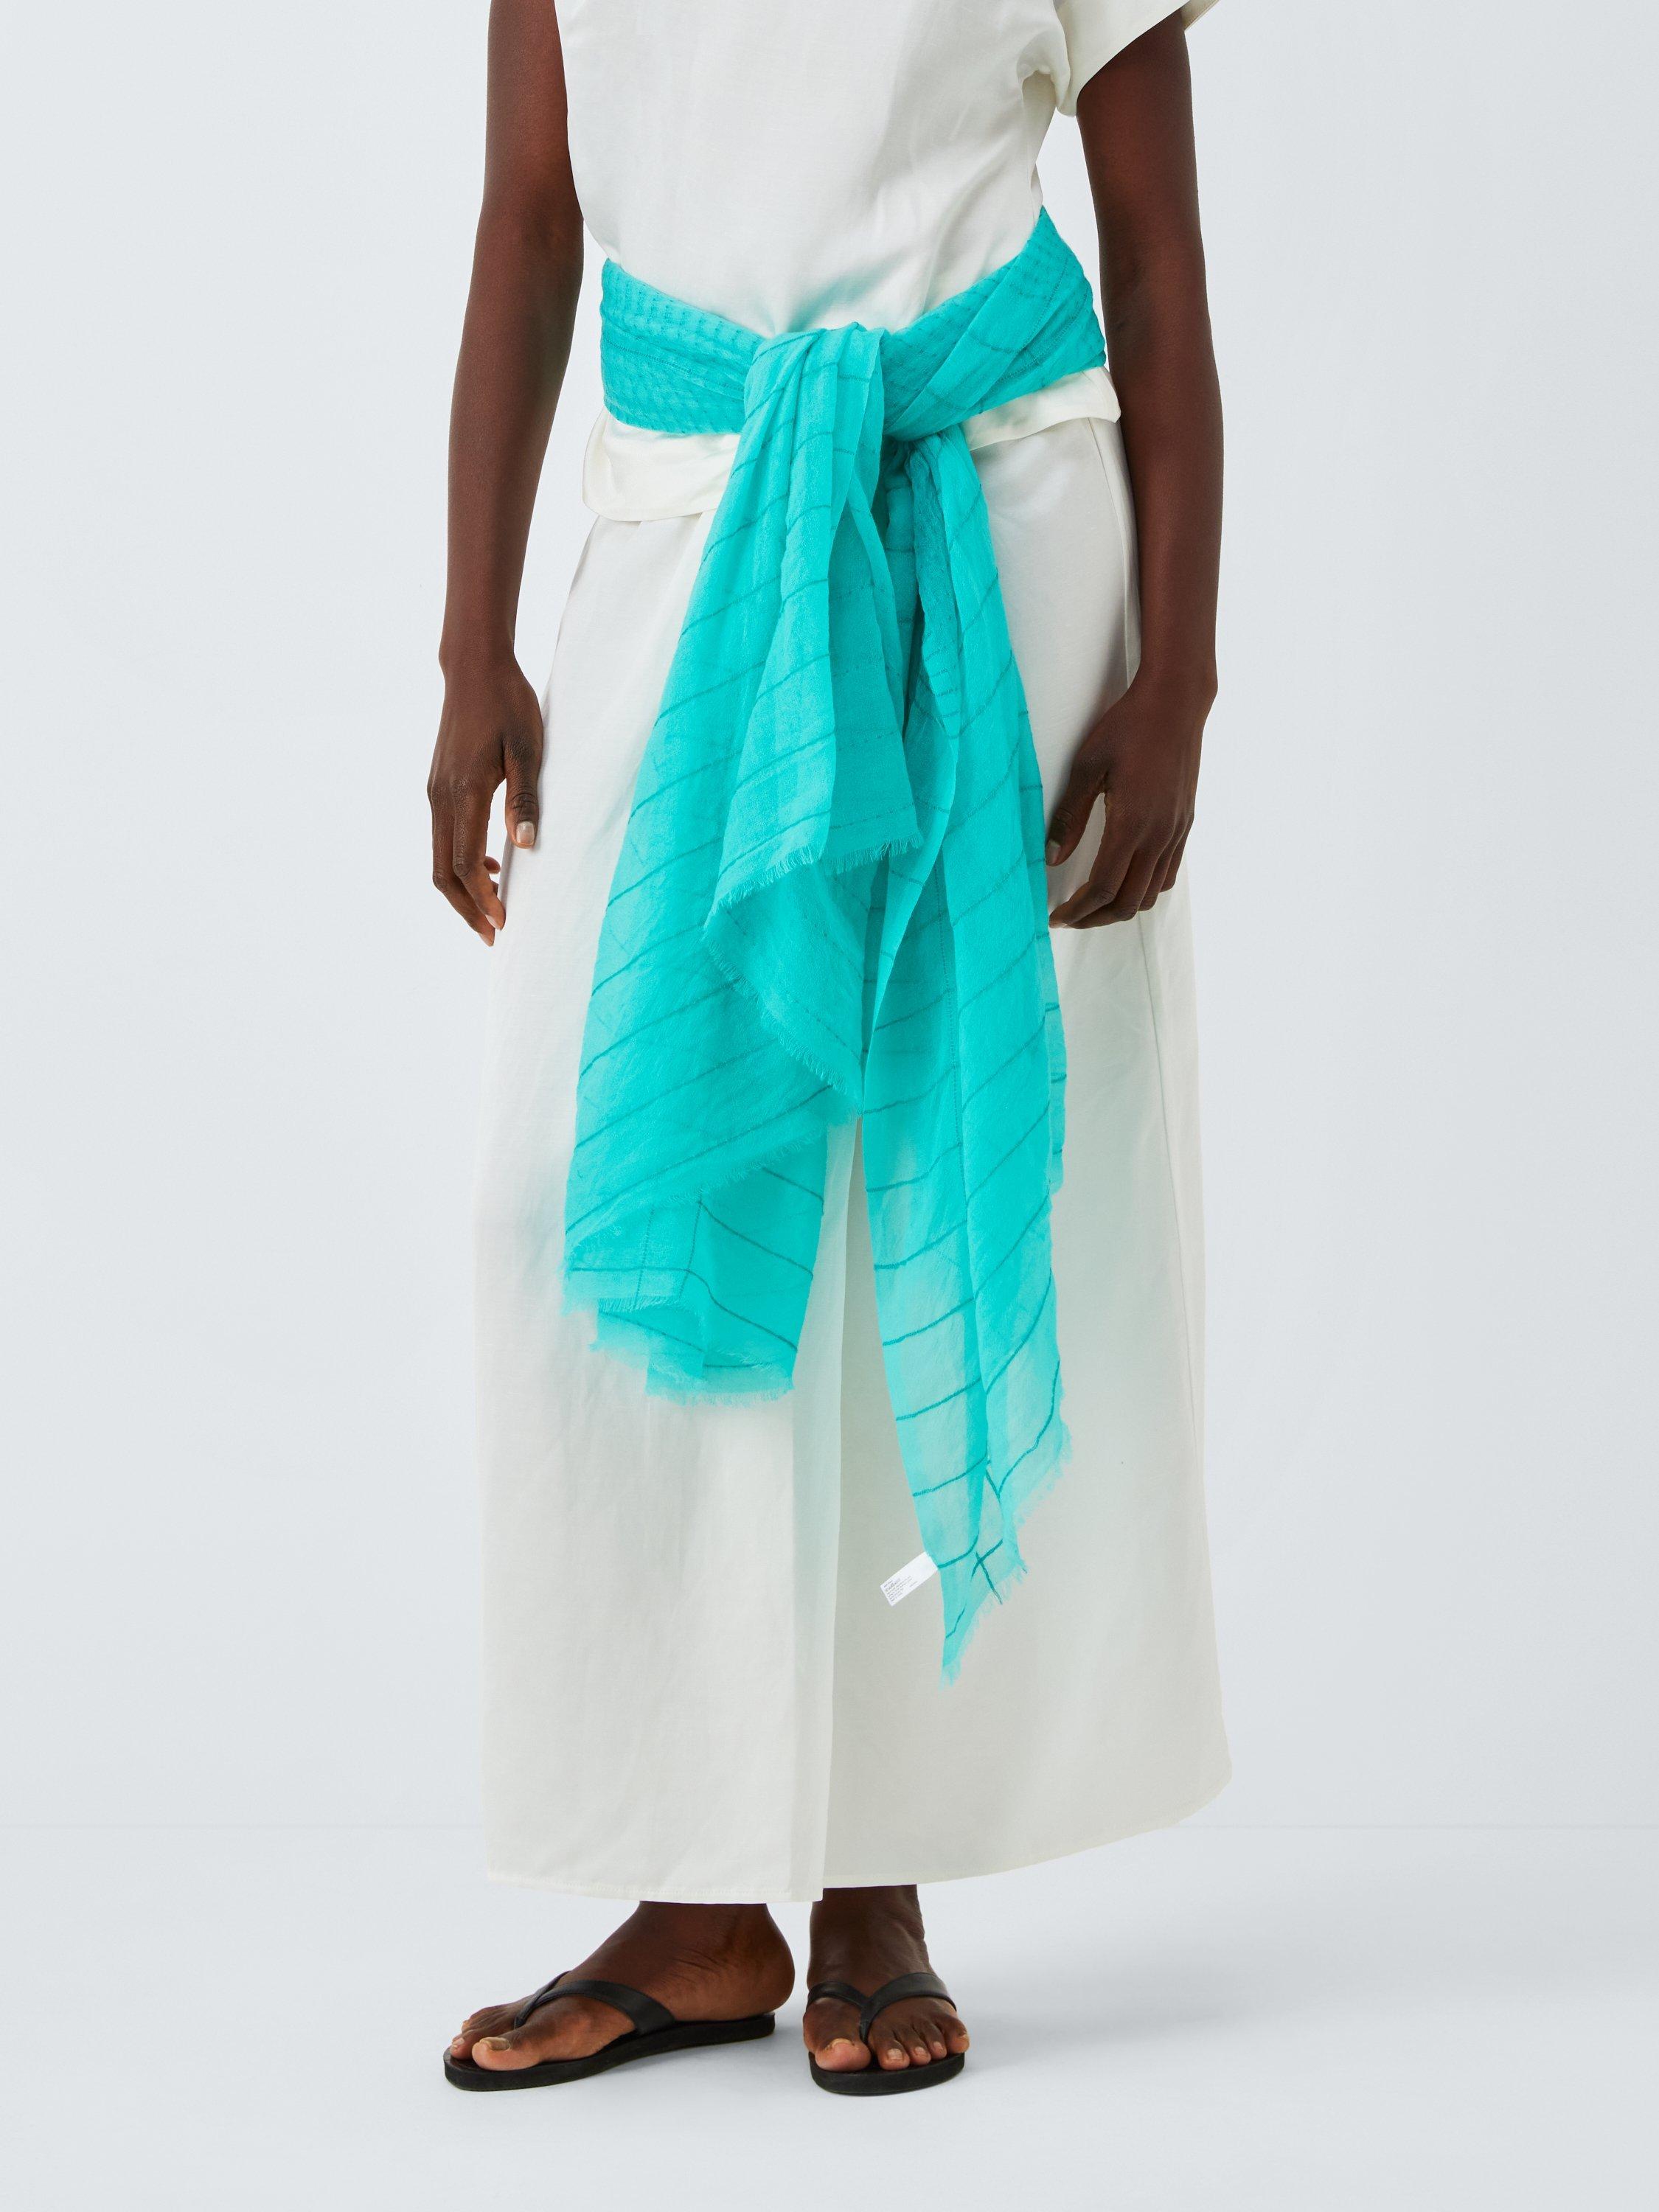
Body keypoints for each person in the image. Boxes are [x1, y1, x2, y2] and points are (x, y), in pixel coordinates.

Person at [431, 0, 1228, 2096]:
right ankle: (699, 1897)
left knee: (910, 1188)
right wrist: (468, 644)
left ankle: (874, 1874)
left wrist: (1181, 678)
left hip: (990, 533)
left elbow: (1153, 254)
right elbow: (530, 221)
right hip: (684, 526)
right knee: (578, 1196)